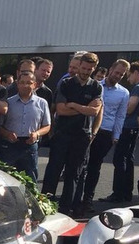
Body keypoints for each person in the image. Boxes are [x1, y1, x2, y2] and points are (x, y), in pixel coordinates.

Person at [41, 52, 102, 215]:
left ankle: (66, 209)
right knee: (53, 171)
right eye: (83, 67)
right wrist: (84, 108)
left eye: (89, 69)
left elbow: (94, 111)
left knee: (74, 174)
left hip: (82, 137)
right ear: (79, 65)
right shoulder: (66, 84)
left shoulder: (96, 87)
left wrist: (74, 105)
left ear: (93, 69)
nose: (86, 71)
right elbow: (61, 110)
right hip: (63, 134)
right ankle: (45, 204)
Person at [73, 59, 129, 214]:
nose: (118, 75)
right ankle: (75, 198)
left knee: (94, 167)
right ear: (110, 69)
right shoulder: (96, 86)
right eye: (116, 72)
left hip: (106, 133)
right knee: (81, 165)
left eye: (121, 74)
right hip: (88, 129)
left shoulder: (124, 93)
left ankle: (87, 200)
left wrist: (116, 135)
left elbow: (120, 115)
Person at [105, 61, 139, 202]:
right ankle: (126, 192)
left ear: (136, 72)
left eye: (129, 75)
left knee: (119, 159)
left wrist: (116, 109)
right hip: (135, 128)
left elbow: (129, 108)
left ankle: (118, 192)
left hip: (128, 127)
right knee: (128, 160)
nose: (128, 79)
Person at [0, 71, 50, 180]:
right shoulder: (8, 102)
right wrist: (7, 134)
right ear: (17, 84)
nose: (25, 85)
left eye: (29, 83)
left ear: (35, 85)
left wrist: (37, 133)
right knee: (7, 177)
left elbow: (47, 126)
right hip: (11, 145)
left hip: (30, 145)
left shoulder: (42, 103)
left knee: (30, 179)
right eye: (22, 82)